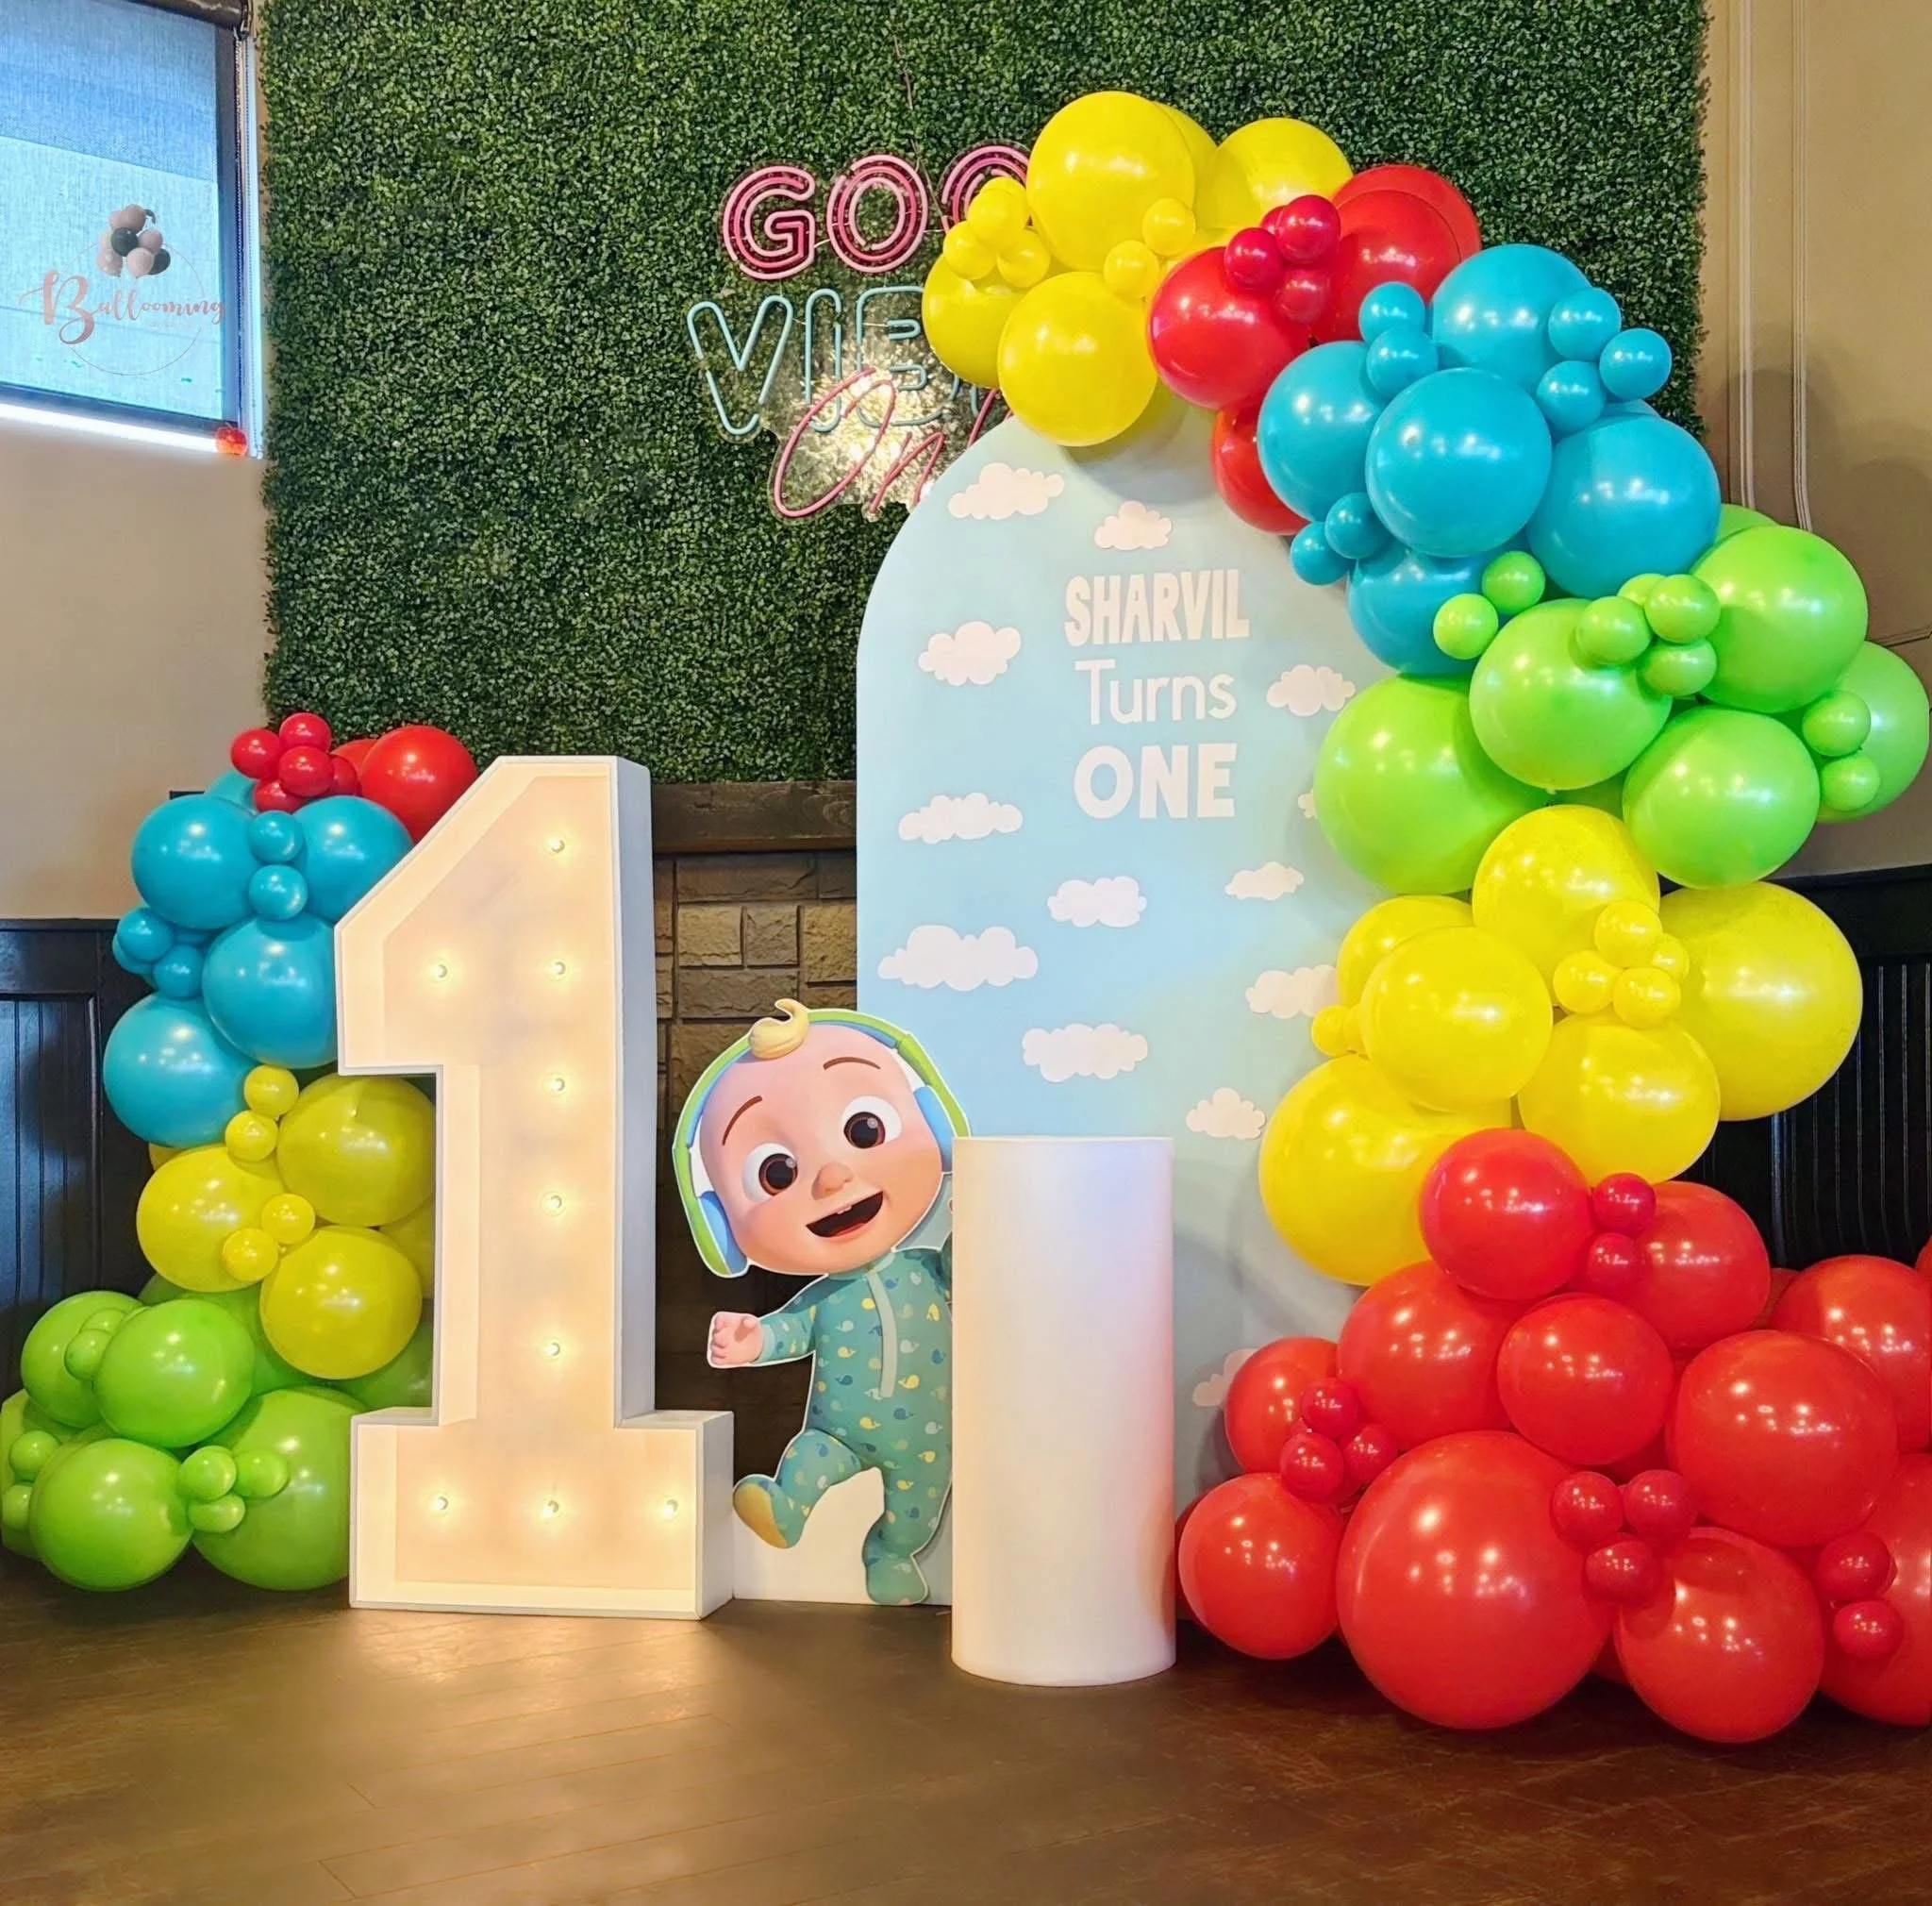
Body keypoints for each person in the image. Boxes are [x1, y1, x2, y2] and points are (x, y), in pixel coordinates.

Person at [673, 998, 966, 1604]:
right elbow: (790, 1330)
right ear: (720, 1224)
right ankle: (785, 1506)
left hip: (929, 1439)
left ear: (934, 1127)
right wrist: (753, 1340)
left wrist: (978, 1228)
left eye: (864, 1130)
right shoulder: (821, 1297)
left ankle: (891, 1552)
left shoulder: (924, 1271)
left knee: (919, 1509)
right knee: (809, 1459)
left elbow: (962, 1274)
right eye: (776, 1171)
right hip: (834, 1430)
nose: (831, 1179)